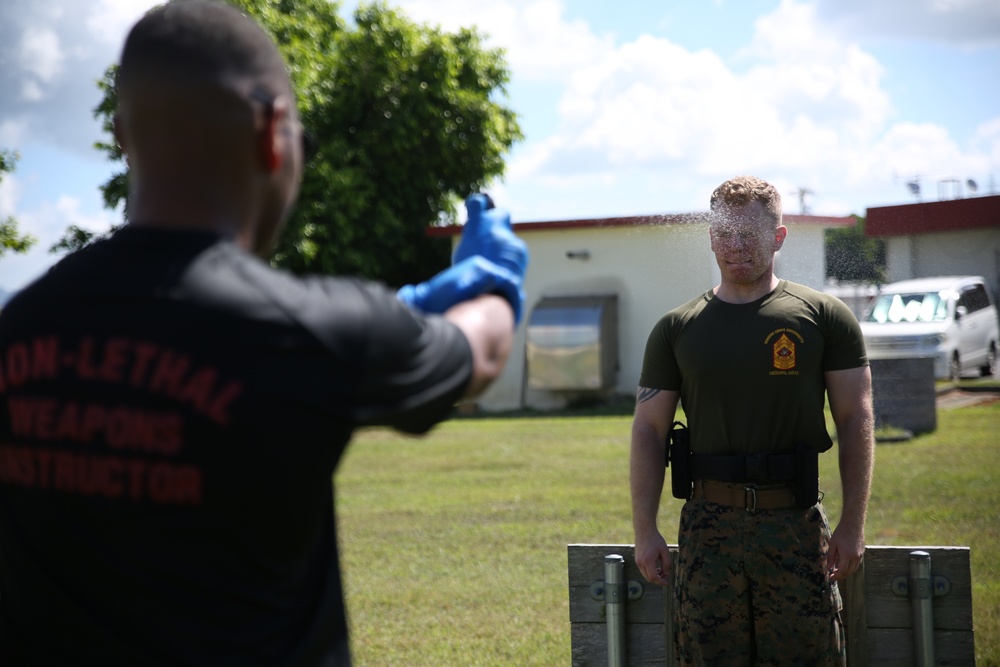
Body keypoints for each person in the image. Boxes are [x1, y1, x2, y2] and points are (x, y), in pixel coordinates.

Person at [0, 2, 527, 665]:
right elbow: (481, 351)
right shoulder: (315, 334)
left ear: (123, 137)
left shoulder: (19, 329)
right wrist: (493, 276)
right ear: (273, 131)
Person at [630, 175, 874, 665]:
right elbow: (649, 430)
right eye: (725, 235)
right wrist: (645, 530)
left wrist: (852, 524)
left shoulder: (825, 317)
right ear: (711, 237)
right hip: (706, 529)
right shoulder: (677, 328)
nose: (736, 247)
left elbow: (855, 420)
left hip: (796, 524)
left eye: (751, 235)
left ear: (778, 237)